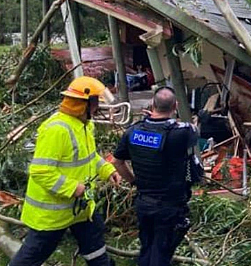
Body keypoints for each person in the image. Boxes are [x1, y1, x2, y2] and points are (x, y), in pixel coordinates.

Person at [11, 76, 122, 266]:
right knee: (29, 259)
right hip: (52, 214)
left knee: (97, 252)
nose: (97, 108)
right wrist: (72, 188)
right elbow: (41, 171)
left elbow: (90, 157)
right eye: (95, 103)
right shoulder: (56, 130)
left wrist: (107, 170)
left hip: (81, 209)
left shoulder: (85, 125)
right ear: (83, 104)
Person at [112, 86, 199, 266]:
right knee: (161, 253)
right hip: (169, 206)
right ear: (175, 106)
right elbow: (194, 130)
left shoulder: (132, 132)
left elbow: (117, 162)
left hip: (143, 202)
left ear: (152, 104)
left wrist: (133, 181)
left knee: (147, 247)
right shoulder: (181, 133)